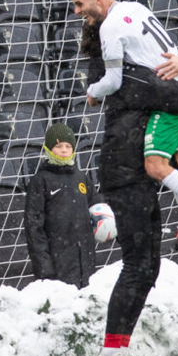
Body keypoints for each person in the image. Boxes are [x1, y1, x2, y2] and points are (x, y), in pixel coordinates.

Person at [71, 0, 178, 356]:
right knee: (138, 266)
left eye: (81, 8)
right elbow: (175, 94)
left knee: (147, 267)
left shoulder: (130, 63)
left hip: (134, 173)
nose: (78, 15)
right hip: (123, 173)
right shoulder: (122, 76)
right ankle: (111, 354)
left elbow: (169, 82)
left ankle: (116, 350)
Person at [76, 0, 178, 251]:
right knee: (175, 163)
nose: (77, 12)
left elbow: (114, 81)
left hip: (171, 101)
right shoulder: (137, 8)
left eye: (78, 4)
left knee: (155, 166)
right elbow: (167, 54)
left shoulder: (110, 27)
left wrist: (93, 93)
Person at [24, 123, 104, 288]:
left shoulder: (82, 179)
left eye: (68, 146)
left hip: (85, 262)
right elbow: (34, 227)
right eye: (58, 145)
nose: (64, 150)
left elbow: (97, 209)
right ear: (48, 148)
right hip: (57, 262)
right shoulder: (41, 180)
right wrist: (44, 268)